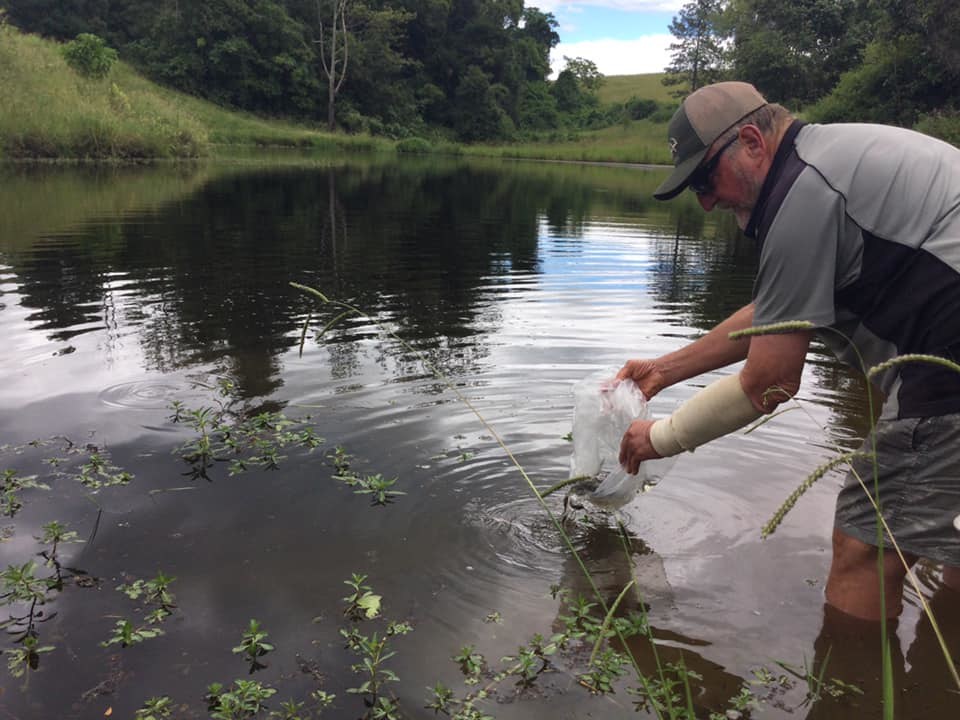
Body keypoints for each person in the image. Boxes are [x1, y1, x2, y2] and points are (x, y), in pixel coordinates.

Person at [616, 81, 960, 622]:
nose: (705, 201)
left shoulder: (802, 193)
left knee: (865, 547)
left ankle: (852, 675)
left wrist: (658, 438)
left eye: (705, 179)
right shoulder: (828, 160)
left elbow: (769, 383)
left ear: (752, 142)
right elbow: (778, 312)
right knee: (952, 540)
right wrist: (665, 369)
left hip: (948, 363)